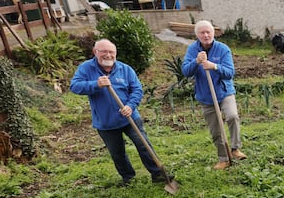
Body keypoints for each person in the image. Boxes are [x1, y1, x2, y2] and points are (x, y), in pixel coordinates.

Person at [70, 39, 172, 185]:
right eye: (104, 51)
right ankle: (128, 177)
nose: (108, 55)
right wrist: (95, 84)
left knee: (143, 144)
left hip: (129, 117)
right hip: (106, 121)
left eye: (111, 52)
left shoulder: (125, 69)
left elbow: (137, 89)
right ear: (95, 52)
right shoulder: (86, 68)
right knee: (117, 152)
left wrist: (131, 105)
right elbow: (75, 86)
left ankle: (158, 174)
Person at [181, 20, 246, 169]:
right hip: (206, 96)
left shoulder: (223, 49)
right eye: (202, 33)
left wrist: (214, 66)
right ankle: (223, 158)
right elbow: (185, 71)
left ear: (213, 33)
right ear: (197, 35)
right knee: (215, 129)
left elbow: (230, 73)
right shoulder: (192, 50)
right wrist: (196, 61)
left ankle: (235, 148)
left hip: (224, 92)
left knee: (232, 116)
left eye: (208, 32)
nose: (206, 35)